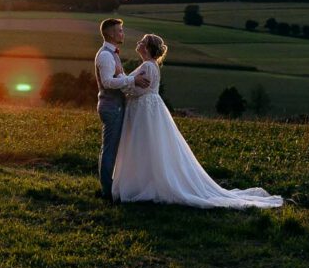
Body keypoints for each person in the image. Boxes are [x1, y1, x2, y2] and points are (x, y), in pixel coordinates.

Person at [113, 33, 283, 209]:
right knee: (149, 146)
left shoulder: (148, 66)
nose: (139, 43)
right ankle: (144, 180)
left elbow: (137, 90)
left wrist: (119, 79)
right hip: (147, 109)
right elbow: (134, 85)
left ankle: (147, 183)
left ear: (147, 48)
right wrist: (125, 80)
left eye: (142, 42)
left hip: (144, 110)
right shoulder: (148, 65)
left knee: (145, 145)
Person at [94, 18, 150, 200]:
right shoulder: (105, 55)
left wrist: (131, 81)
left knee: (113, 148)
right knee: (109, 149)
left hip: (116, 106)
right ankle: (107, 192)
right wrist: (133, 80)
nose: (122, 33)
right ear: (110, 33)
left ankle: (111, 187)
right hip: (111, 107)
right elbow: (108, 82)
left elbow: (120, 78)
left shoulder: (113, 54)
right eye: (119, 30)